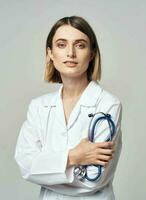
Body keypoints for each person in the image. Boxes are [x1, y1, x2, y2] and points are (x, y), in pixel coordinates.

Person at [14, 16, 123, 200]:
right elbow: (26, 166)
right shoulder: (39, 107)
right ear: (50, 52)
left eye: (80, 45)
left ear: (92, 53)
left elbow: (93, 181)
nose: (70, 53)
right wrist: (74, 157)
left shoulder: (107, 104)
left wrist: (46, 170)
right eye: (61, 44)